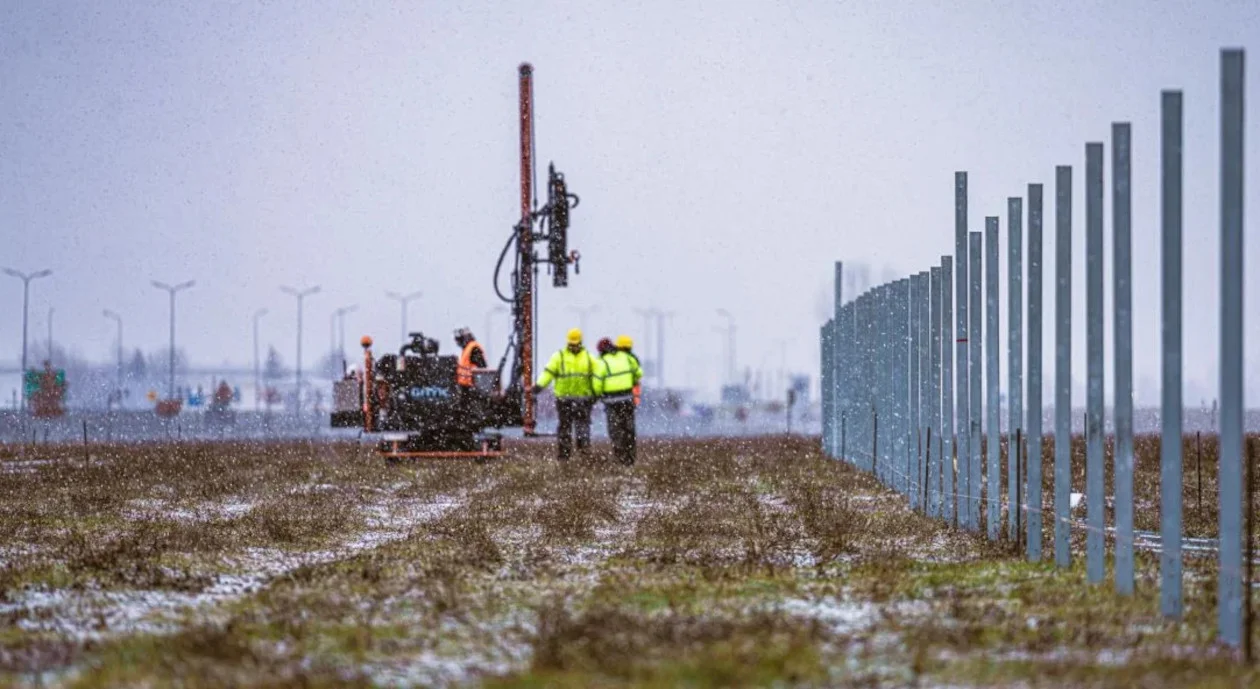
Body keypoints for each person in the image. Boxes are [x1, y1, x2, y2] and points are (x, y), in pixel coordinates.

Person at [532, 328, 596, 461]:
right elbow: (548, 373)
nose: (574, 346)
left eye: (576, 344)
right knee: (565, 428)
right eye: (572, 344)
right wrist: (539, 386)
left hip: (582, 399)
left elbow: (596, 377)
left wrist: (596, 393)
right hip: (565, 400)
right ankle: (565, 455)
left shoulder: (589, 358)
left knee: (581, 428)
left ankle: (583, 453)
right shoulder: (559, 357)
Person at [594, 334, 643, 466]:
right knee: (629, 429)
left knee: (615, 430)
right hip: (627, 399)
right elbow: (638, 373)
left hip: (611, 401)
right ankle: (630, 458)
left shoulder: (601, 362)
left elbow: (597, 382)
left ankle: (620, 457)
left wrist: (597, 396)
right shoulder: (626, 357)